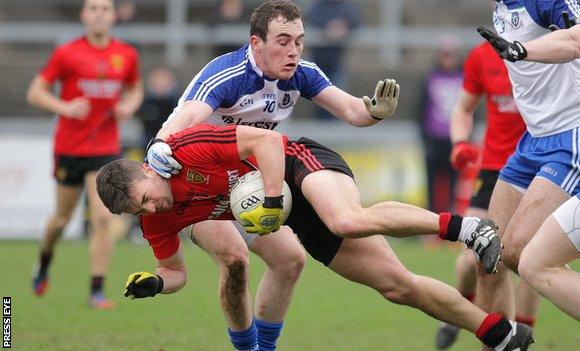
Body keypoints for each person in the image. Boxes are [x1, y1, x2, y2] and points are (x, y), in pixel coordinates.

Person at [142, 1, 504, 350]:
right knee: (235, 258)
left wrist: (374, 111)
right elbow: (186, 114)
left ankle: (500, 332)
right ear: (256, 43)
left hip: (254, 184)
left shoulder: (301, 72)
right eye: (283, 42)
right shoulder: (230, 74)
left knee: (302, 261)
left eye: (299, 41)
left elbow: (352, 111)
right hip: (202, 187)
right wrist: (160, 141)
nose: (293, 51)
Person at [97, 123, 535, 351]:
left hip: (297, 164)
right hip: (293, 214)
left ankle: (468, 228)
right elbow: (173, 271)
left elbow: (268, 142)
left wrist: (269, 199)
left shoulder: (185, 149)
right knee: (397, 287)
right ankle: (498, 333)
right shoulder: (157, 220)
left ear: (147, 171)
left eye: (145, 198)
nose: (151, 210)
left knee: (347, 219)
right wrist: (157, 283)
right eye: (139, 211)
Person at [477, 0, 580, 349]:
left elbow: (578, 38)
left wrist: (520, 50)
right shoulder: (500, 7)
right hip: (532, 141)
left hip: (574, 137)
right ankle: (503, 343)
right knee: (493, 252)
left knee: (530, 256)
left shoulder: (558, 3)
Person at [25, 0, 143, 309]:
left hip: (104, 149)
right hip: (70, 147)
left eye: (105, 8)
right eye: (93, 8)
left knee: (103, 218)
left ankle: (96, 290)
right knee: (62, 219)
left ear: (113, 15)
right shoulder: (67, 53)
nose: (99, 14)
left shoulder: (126, 54)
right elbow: (35, 92)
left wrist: (129, 106)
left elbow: (135, 88)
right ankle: (44, 261)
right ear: (83, 15)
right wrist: (65, 107)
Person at [435, 41, 533, 350]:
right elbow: (463, 109)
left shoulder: (550, 50)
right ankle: (457, 312)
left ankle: (516, 337)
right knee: (471, 261)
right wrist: (460, 141)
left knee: (530, 260)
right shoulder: (481, 55)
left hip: (541, 167)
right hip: (493, 170)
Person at [417, 43, 464, 213]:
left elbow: (471, 110)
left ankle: (450, 220)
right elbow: (421, 109)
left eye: (450, 55)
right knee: (431, 183)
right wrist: (424, 137)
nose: (447, 59)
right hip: (433, 138)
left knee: (453, 183)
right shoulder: (430, 78)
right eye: (444, 55)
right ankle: (430, 220)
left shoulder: (464, 78)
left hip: (454, 139)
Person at [307, 0, 361, 120]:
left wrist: (344, 26)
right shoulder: (317, 6)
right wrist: (328, 29)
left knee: (339, 103)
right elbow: (310, 23)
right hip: (318, 63)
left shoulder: (346, 7)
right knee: (320, 102)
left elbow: (357, 23)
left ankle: (336, 134)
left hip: (336, 62)